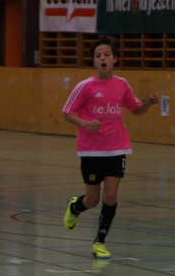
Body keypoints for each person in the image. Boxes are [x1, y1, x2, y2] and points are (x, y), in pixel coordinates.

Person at [62, 34, 158, 259]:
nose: (102, 58)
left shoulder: (122, 84)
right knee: (93, 199)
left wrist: (149, 103)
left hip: (117, 148)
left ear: (115, 58)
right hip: (91, 150)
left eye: (106, 54)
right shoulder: (85, 86)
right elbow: (67, 112)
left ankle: (100, 242)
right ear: (94, 61)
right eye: (98, 56)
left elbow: (136, 110)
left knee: (111, 195)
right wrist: (85, 123)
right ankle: (75, 207)